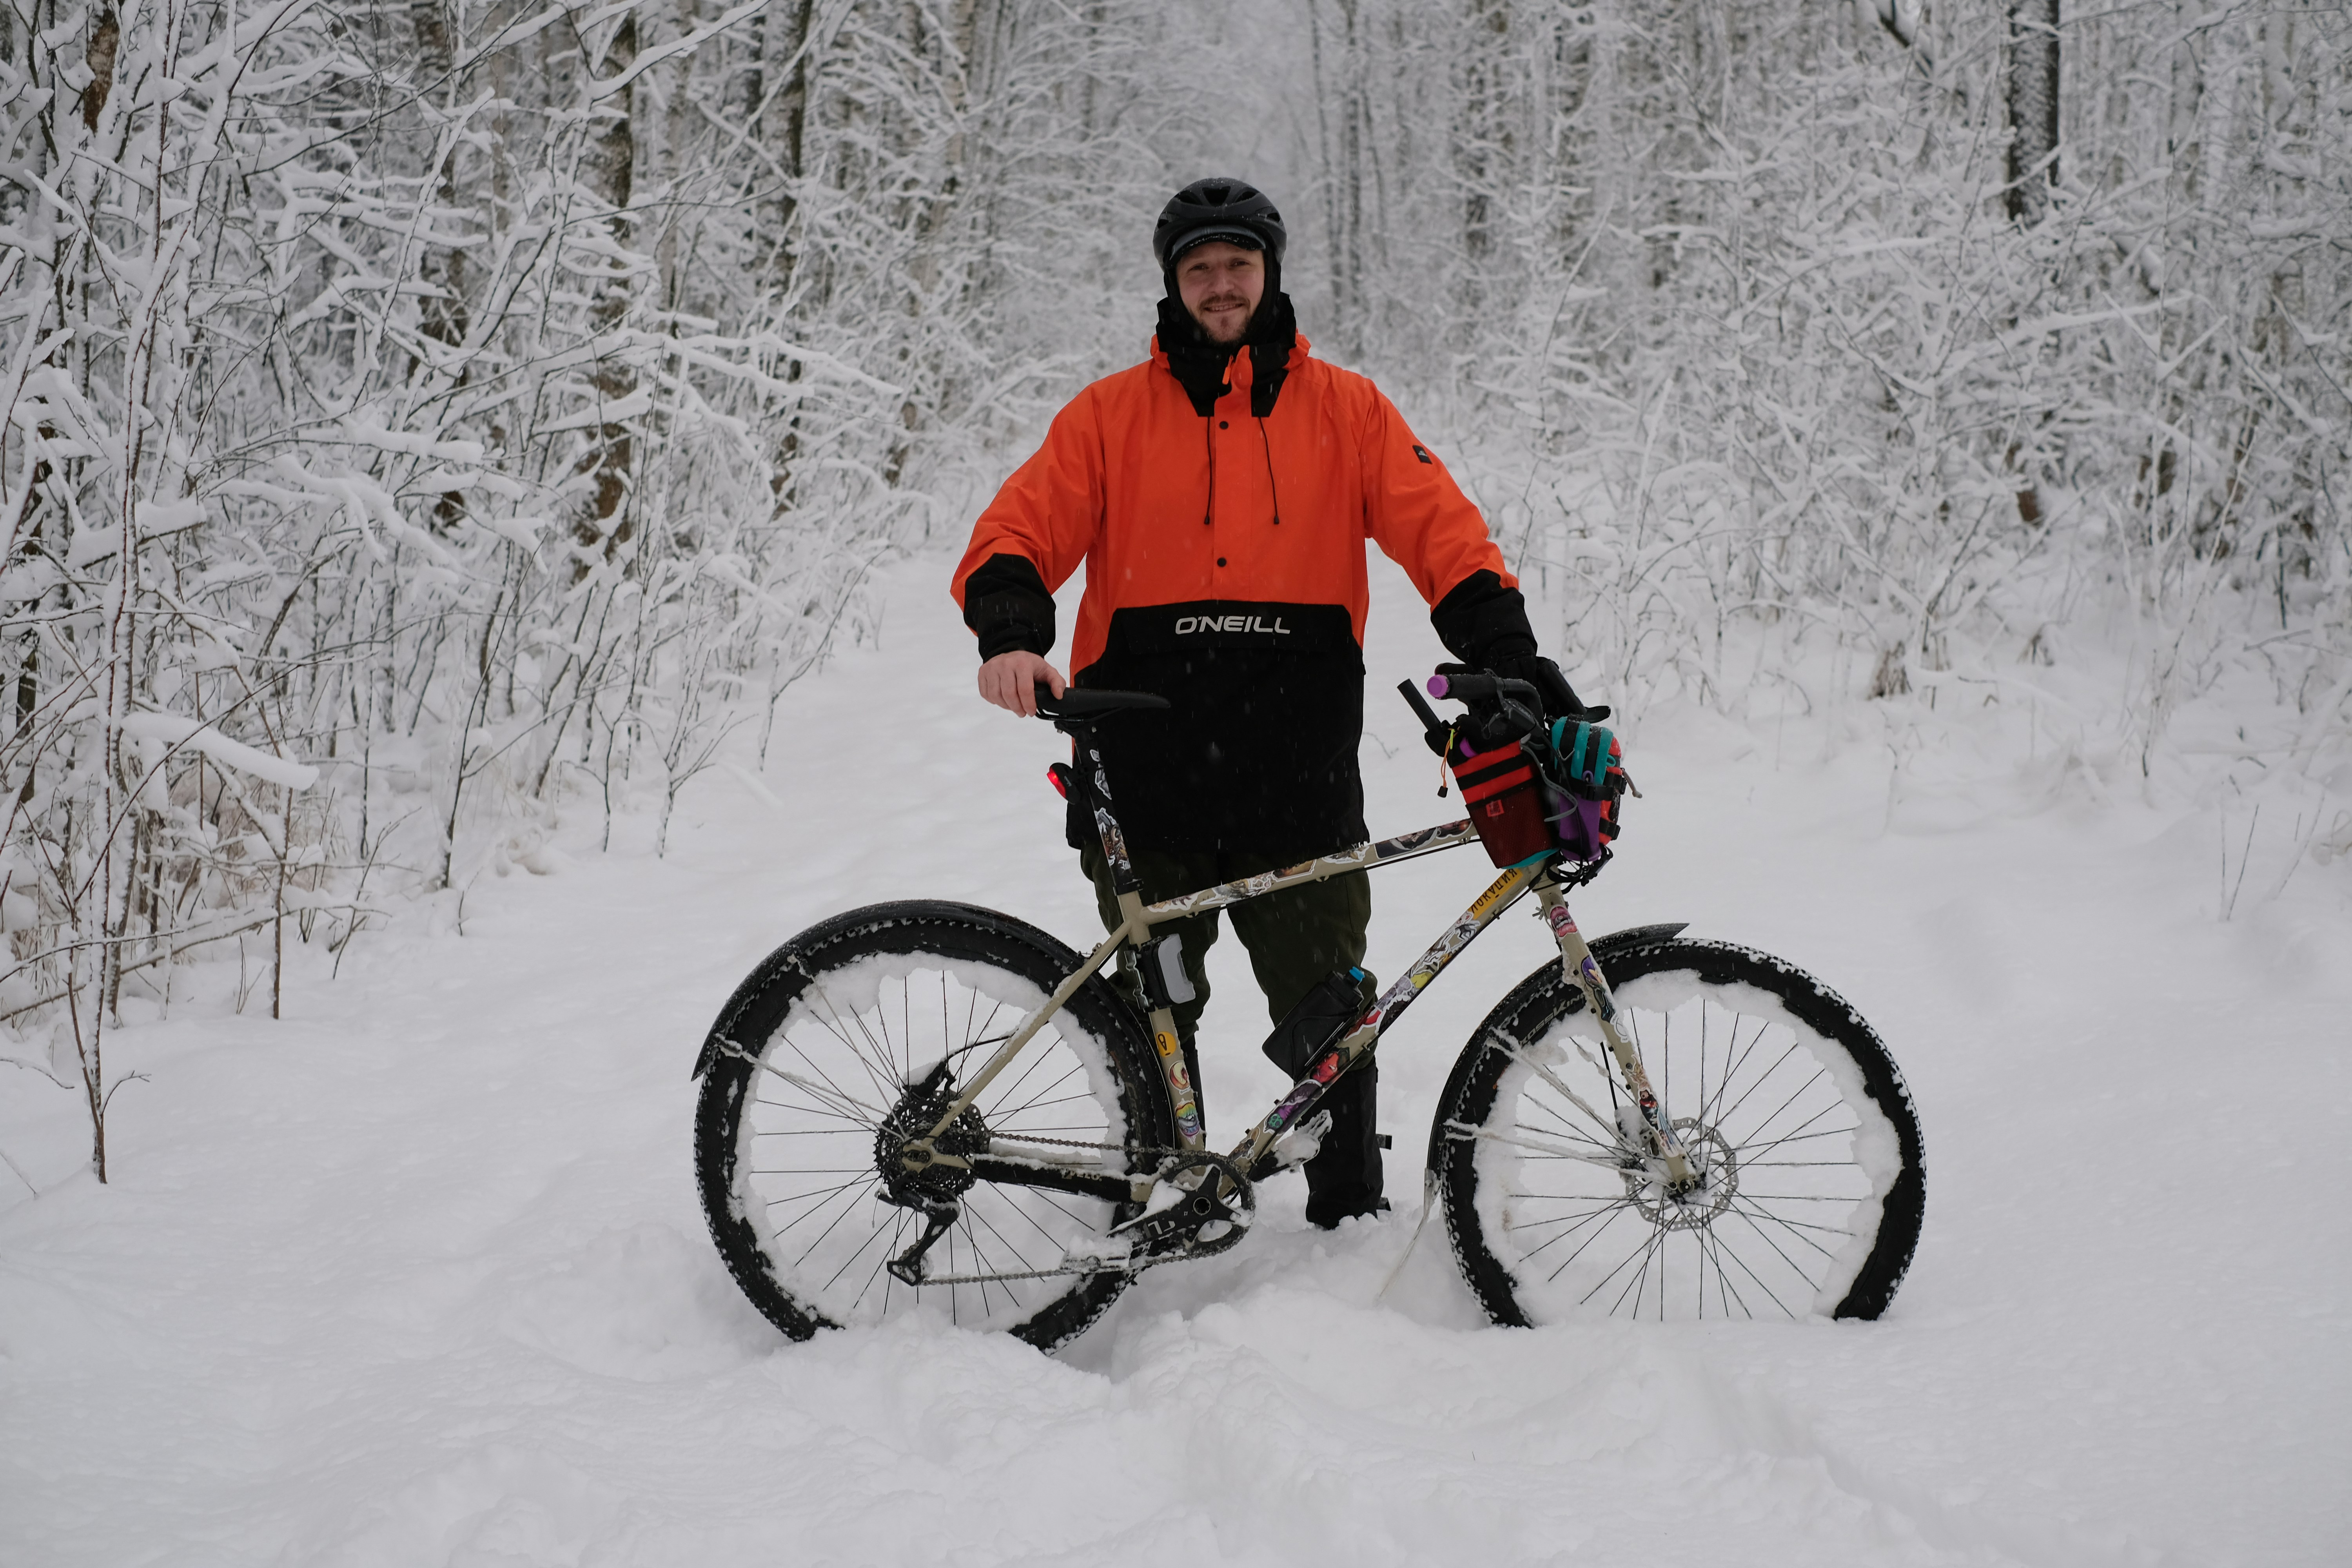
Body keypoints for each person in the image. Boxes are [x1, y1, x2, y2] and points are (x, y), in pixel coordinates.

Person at [950, 177, 1593, 1227]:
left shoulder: (1349, 411)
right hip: (1144, 754)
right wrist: (1012, 633)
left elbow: (1446, 537)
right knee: (1154, 1003)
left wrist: (1506, 653)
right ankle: (1154, 1195)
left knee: (1329, 999)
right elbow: (1018, 529)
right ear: (1172, 282)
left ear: (1270, 272)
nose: (1220, 285)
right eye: (1198, 268)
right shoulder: (1109, 417)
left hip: (1296, 759)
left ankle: (1349, 1216)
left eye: (1237, 265)